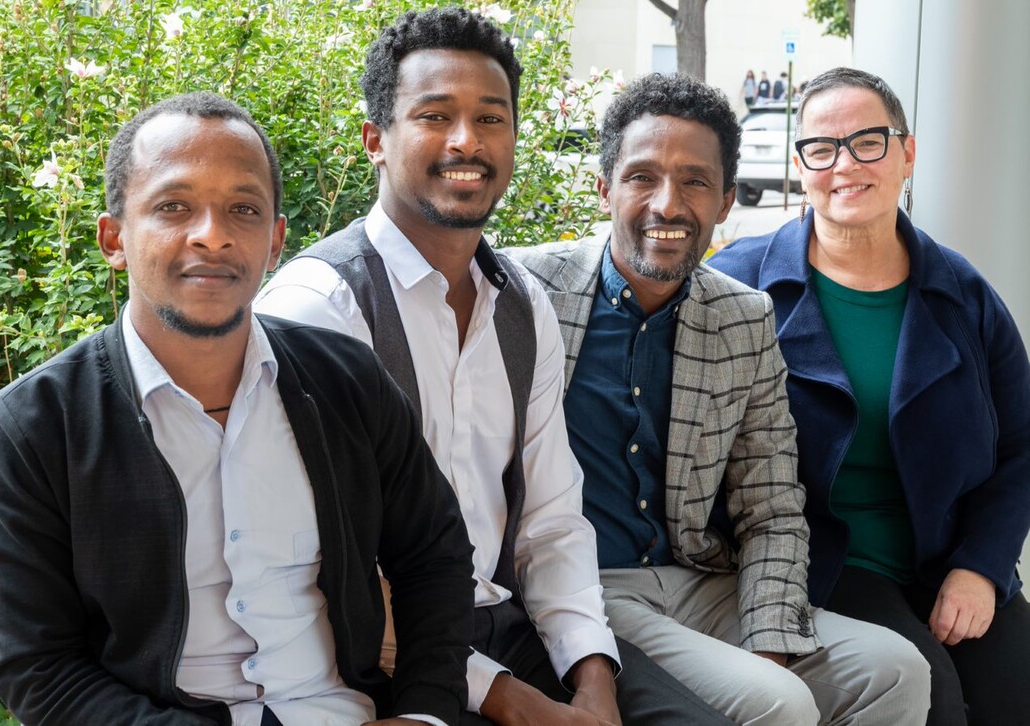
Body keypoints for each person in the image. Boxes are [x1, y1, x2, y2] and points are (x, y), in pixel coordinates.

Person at [255, 8, 728, 726]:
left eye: (491, 118)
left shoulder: (520, 303)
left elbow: (551, 522)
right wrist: (517, 702)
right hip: (377, 651)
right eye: (435, 115)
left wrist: (593, 680)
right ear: (376, 141)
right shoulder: (320, 307)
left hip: (509, 624)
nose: (466, 142)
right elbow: (320, 568)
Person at [0, 92, 477, 726]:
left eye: (243, 209)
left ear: (274, 241)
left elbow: (435, 555)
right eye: (173, 206)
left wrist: (425, 713)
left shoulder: (348, 382)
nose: (212, 235)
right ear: (113, 238)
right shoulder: (35, 426)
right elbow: (39, 669)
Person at [507, 72, 931, 725]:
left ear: (727, 199)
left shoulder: (743, 316)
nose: (668, 204)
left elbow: (772, 506)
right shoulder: (527, 289)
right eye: (643, 177)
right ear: (604, 188)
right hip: (586, 586)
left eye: (696, 181)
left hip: (701, 580)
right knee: (778, 705)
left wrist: (770, 643)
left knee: (893, 667)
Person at [709, 66, 1030, 725]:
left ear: (907, 153)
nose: (844, 164)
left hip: (948, 557)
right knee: (935, 699)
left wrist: (981, 567)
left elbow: (1022, 445)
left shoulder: (962, 293)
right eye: (822, 148)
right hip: (822, 565)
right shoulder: (739, 285)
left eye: (868, 141)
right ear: (802, 167)